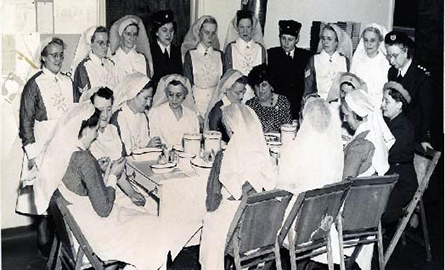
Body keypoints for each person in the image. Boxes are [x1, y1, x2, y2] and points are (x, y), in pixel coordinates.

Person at [33, 102, 173, 270]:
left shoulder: (66, 153)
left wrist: (100, 171)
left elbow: (82, 186)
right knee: (156, 225)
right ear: (85, 129)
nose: (96, 135)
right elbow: (104, 209)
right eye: (95, 129)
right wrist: (113, 174)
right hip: (94, 233)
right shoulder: (83, 158)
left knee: (147, 220)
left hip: (79, 226)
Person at [17, 37, 77, 255]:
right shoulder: (34, 84)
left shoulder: (68, 82)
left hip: (65, 142)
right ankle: (44, 238)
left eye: (61, 54)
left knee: (65, 191)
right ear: (43, 57)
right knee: (44, 192)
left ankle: (68, 239)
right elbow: (26, 121)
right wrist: (32, 153)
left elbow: (75, 112)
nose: (59, 59)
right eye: (54, 55)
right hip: (42, 144)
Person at [200, 103, 276, 270]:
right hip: (261, 222)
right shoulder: (266, 156)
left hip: (236, 225)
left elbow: (212, 201)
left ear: (231, 130)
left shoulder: (223, 157)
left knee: (210, 221)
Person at [81, 87, 146, 207]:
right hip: (103, 193)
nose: (105, 115)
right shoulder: (88, 137)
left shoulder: (112, 129)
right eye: (100, 110)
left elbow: (118, 168)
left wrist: (132, 193)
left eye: (109, 109)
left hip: (121, 185)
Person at [276, 96, 344, 195]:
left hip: (299, 207)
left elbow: (281, 188)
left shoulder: (292, 151)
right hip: (327, 207)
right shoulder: (335, 150)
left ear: (304, 119)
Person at [385, 31, 433, 150]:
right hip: (395, 130)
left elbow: (427, 111)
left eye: (395, 55)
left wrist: (424, 138)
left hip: (412, 135)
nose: (391, 60)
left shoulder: (421, 76)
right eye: (389, 55)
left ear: (405, 51)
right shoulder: (392, 72)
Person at [380, 81, 418, 224]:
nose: (382, 105)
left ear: (399, 105)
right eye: (383, 100)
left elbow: (386, 152)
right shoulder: (390, 122)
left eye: (387, 101)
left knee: (374, 206)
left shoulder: (404, 128)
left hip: (402, 183)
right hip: (392, 175)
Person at [341, 89, 394, 179]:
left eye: (346, 115)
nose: (344, 120)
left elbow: (343, 183)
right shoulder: (372, 135)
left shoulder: (359, 146)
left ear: (356, 115)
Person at [268, 20, 312, 118]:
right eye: (283, 38)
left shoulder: (305, 56)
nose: (286, 43)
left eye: (290, 39)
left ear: (297, 39)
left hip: (298, 106)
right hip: (277, 106)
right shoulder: (271, 55)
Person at [111, 72, 162, 155]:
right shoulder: (119, 118)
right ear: (133, 94)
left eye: (150, 99)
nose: (148, 103)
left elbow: (144, 142)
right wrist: (148, 148)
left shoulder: (142, 115)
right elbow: (125, 155)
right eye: (145, 98)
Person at [182, 15, 224, 117]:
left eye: (213, 33)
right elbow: (187, 85)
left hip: (215, 106)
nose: (210, 37)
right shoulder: (191, 55)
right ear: (199, 32)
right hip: (197, 105)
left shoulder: (220, 55)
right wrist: (195, 113)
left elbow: (224, 85)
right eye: (206, 32)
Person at [223, 10, 267, 102]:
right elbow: (228, 76)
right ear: (237, 27)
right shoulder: (231, 48)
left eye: (248, 27)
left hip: (255, 97)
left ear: (252, 28)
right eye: (242, 27)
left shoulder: (259, 49)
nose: (245, 31)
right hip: (236, 97)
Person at [148, 74, 200, 148]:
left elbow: (195, 141)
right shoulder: (156, 113)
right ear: (166, 94)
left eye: (178, 95)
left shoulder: (191, 115)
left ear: (184, 95)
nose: (174, 99)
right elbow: (154, 140)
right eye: (171, 94)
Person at [304, 23, 352, 100]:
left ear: (337, 42)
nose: (325, 42)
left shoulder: (344, 61)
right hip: (319, 104)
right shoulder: (315, 60)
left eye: (329, 39)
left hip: (339, 105)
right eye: (323, 38)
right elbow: (308, 88)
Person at [351, 23, 390, 107]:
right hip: (358, 104)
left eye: (372, 40)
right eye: (366, 40)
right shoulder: (358, 62)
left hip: (378, 106)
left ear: (379, 42)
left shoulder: (385, 64)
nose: (368, 44)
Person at [72, 26, 117, 97]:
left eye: (106, 42)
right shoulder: (84, 68)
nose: (105, 47)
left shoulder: (110, 64)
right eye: (100, 43)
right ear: (91, 43)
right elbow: (85, 99)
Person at [245, 64, 292, 132]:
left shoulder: (282, 101)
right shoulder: (250, 105)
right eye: (257, 86)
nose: (261, 90)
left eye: (264, 85)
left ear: (271, 85)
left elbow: (289, 130)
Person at [205, 69, 247, 142]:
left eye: (243, 92)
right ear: (227, 90)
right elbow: (214, 139)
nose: (241, 97)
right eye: (238, 93)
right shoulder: (218, 110)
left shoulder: (239, 106)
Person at [109, 15, 152, 86]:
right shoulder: (112, 60)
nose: (131, 38)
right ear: (121, 34)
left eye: (134, 34)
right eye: (128, 34)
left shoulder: (142, 58)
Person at [149, 9, 182, 90]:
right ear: (156, 32)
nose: (168, 34)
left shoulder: (178, 51)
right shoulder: (149, 51)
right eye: (164, 30)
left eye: (171, 30)